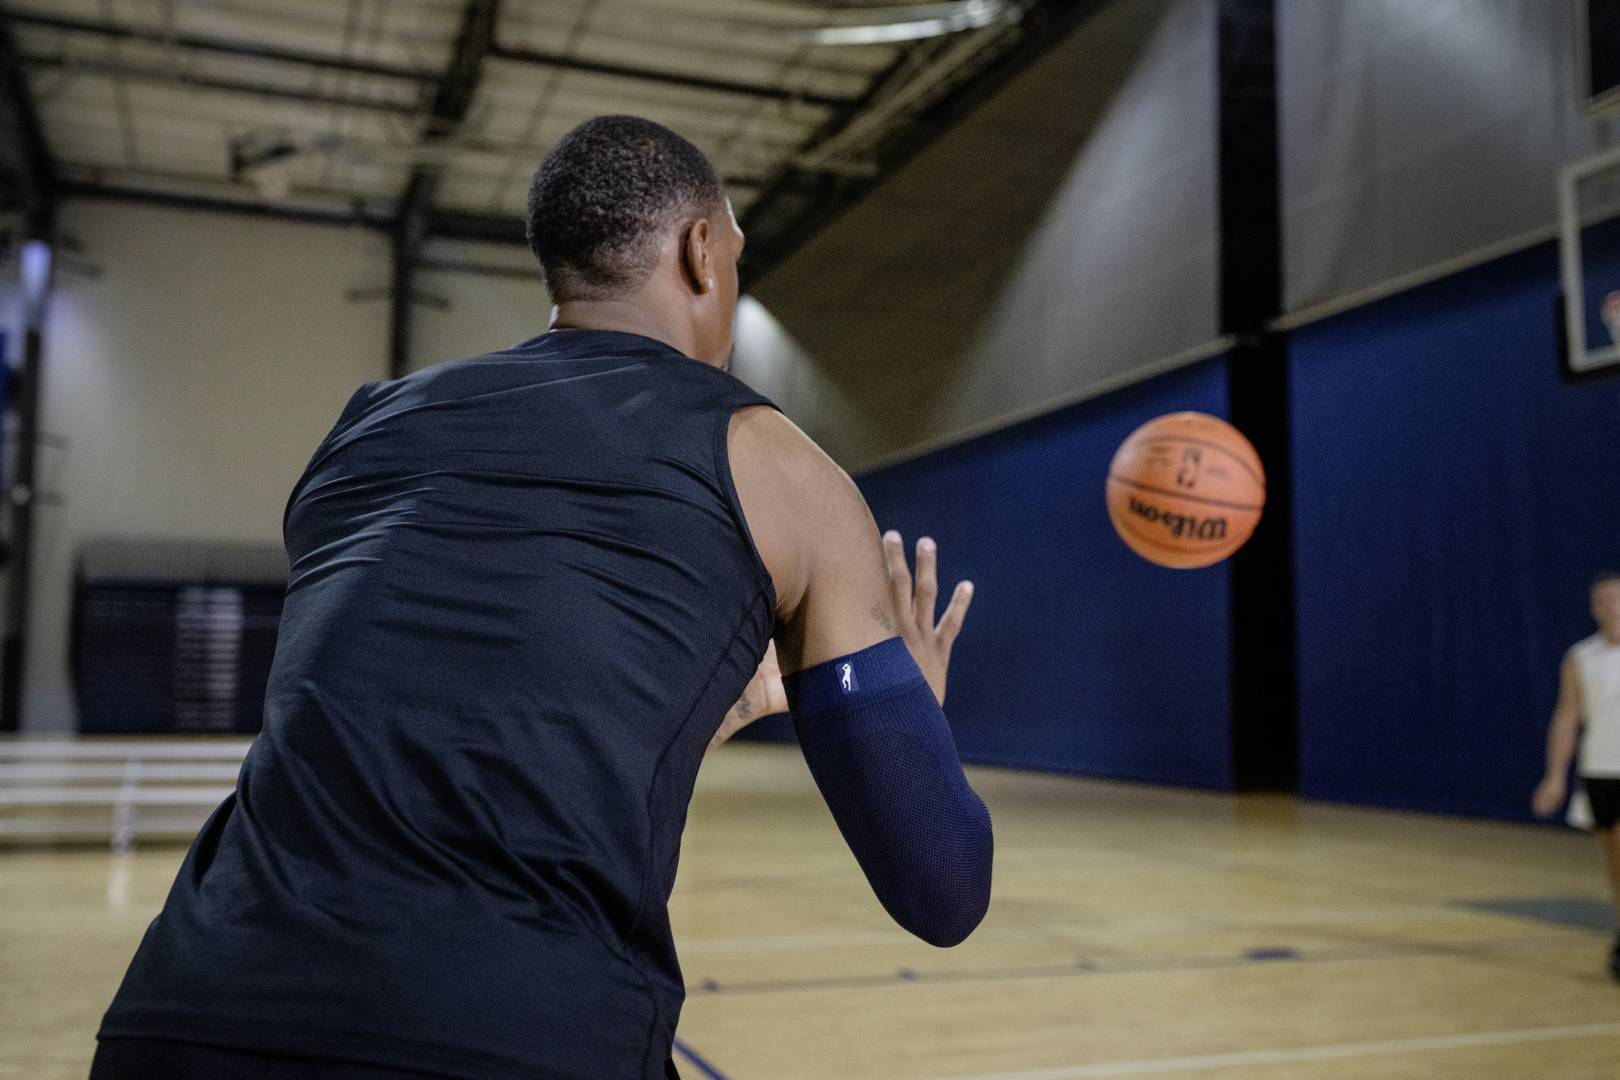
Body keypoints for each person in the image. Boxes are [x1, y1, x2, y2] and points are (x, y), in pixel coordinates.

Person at [91, 115, 993, 1080]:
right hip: (513, 1034)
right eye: (735, 254)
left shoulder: (363, 432)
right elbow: (941, 890)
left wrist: (687, 715)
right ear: (701, 253)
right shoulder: (780, 468)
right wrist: (911, 724)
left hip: (183, 1015)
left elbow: (420, 704)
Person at [1533, 571, 1620, 981]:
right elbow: (1567, 717)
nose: (1611, 605)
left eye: (1617, 597)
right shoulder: (1581, 657)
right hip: (1599, 771)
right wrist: (1555, 776)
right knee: (1615, 860)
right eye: (1603, 599)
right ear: (1593, 607)